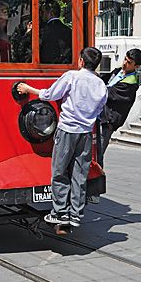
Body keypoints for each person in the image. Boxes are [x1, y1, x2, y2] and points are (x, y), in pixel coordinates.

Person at [17, 47, 107, 228]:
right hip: (86, 133)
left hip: (67, 130)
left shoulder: (72, 77)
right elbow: (99, 110)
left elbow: (50, 94)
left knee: (59, 171)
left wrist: (28, 88)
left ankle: (60, 212)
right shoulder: (101, 85)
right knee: (80, 174)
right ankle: (76, 213)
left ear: (81, 60)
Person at [88, 48, 141, 204]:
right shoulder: (118, 71)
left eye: (129, 62)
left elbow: (106, 93)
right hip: (97, 117)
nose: (125, 63)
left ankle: (95, 191)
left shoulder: (130, 85)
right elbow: (104, 79)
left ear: (136, 66)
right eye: (125, 59)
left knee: (98, 154)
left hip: (107, 122)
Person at [40, 0, 72, 64]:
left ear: (50, 13)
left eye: (43, 12)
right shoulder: (68, 30)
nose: (41, 15)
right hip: (65, 67)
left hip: (46, 68)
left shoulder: (43, 31)